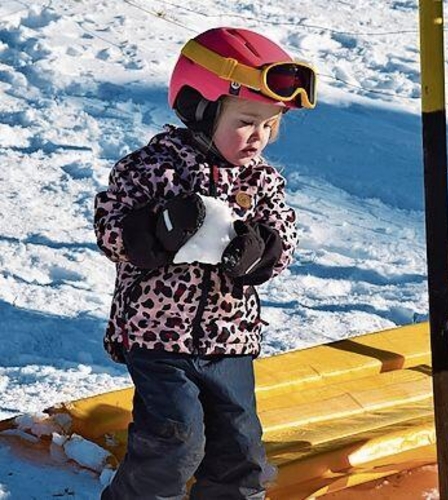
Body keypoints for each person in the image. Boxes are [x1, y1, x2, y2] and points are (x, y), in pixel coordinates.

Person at [94, 27, 316, 500]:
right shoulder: (154, 168)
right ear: (199, 107)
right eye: (246, 121)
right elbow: (110, 226)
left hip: (229, 339)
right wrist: (155, 231)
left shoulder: (261, 181)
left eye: (270, 125)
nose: (259, 137)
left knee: (241, 447)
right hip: (158, 336)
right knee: (175, 440)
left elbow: (284, 238)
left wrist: (262, 251)